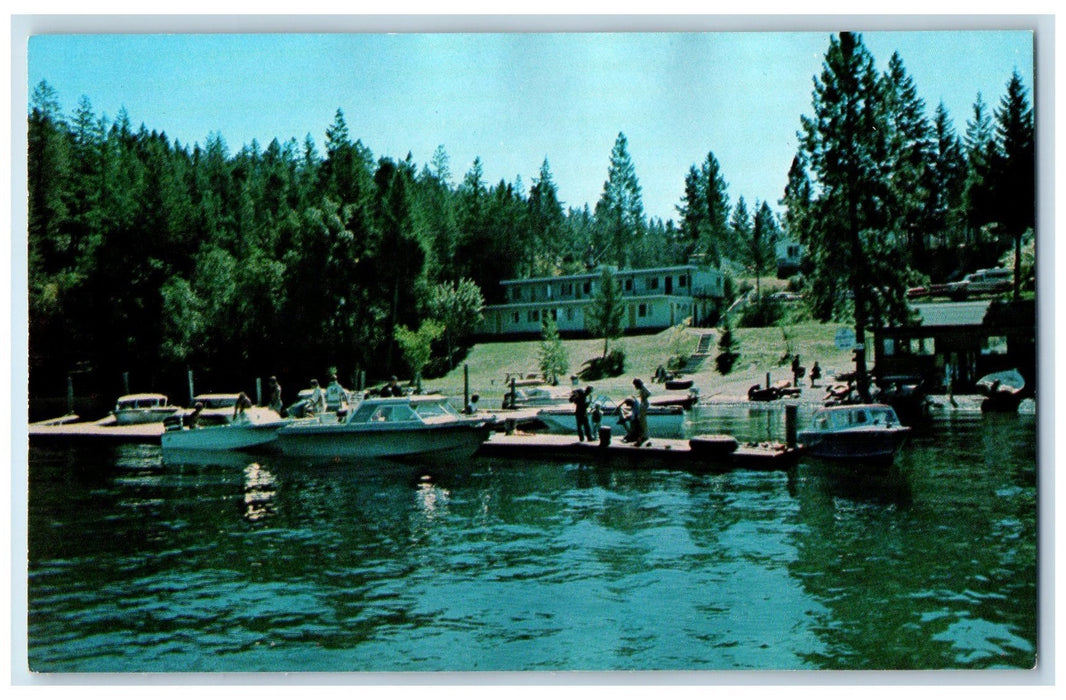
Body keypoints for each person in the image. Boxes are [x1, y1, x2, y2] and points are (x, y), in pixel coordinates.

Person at [632, 377, 651, 446]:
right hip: (643, 404)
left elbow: (649, 393)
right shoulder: (641, 388)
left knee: (642, 420)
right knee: (641, 419)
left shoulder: (643, 387)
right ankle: (644, 434)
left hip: (644, 404)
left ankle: (645, 435)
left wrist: (644, 398)